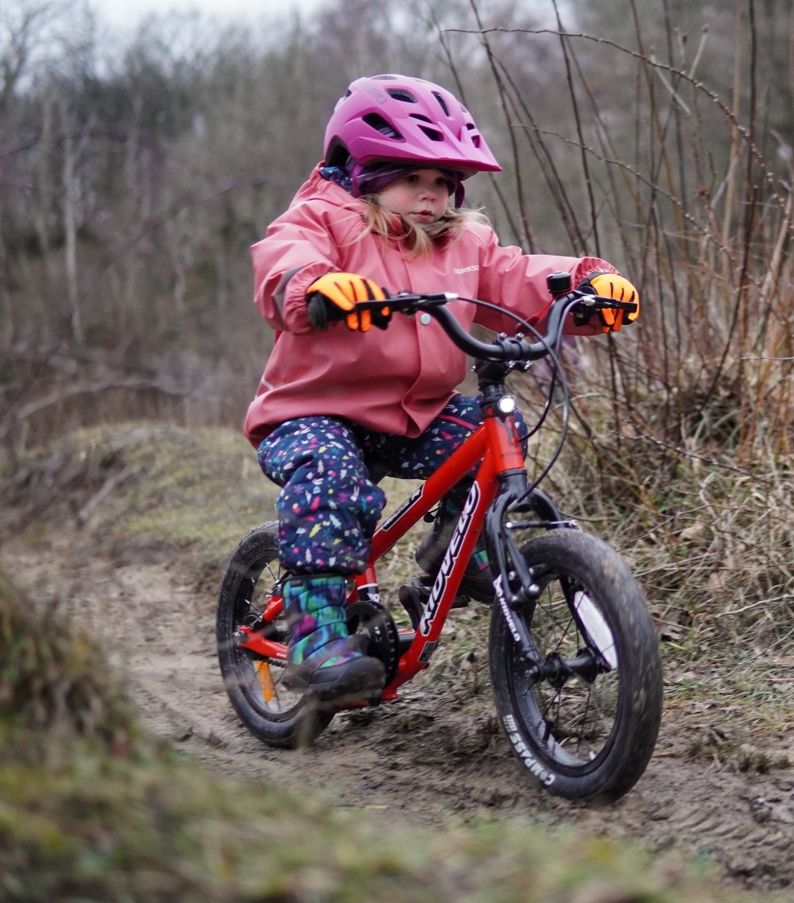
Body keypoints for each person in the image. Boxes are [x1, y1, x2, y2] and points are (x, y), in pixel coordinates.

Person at [243, 74, 639, 706]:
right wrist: (317, 286)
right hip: (314, 411)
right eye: (412, 180)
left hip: (414, 414)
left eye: (441, 184)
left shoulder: (465, 241)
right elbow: (283, 259)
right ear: (364, 174)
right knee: (330, 477)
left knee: (483, 439)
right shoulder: (324, 221)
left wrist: (585, 284)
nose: (429, 198)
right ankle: (315, 630)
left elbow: (516, 278)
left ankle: (460, 550)